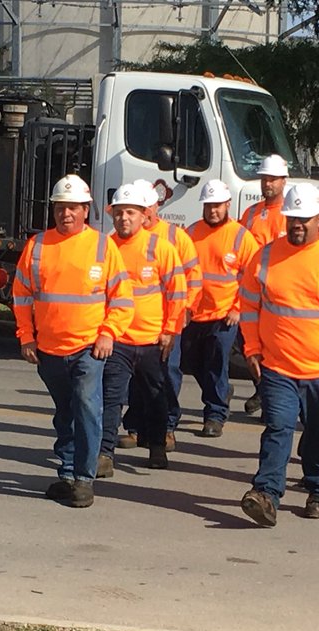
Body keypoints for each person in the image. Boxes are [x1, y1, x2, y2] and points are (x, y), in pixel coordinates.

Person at [238, 183, 319, 527]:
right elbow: (249, 306)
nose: (297, 224)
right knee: (278, 427)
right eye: (292, 218)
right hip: (278, 368)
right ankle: (266, 493)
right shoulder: (265, 256)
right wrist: (252, 348)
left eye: (304, 219)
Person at [10, 174, 134, 508]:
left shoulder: (102, 246)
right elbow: (21, 296)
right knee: (64, 412)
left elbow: (122, 298)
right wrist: (27, 338)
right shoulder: (37, 247)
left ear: (85, 210)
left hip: (89, 349)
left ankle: (83, 479)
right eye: (61, 208)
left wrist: (108, 334)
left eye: (73, 208)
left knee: (87, 406)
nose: (66, 214)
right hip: (49, 351)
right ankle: (66, 472)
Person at [97, 183, 187, 477]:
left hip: (152, 340)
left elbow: (177, 291)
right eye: (119, 213)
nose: (124, 218)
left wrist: (170, 331)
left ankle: (157, 446)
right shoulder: (108, 248)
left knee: (156, 395)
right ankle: (104, 453)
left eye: (130, 213)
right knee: (111, 398)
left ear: (143, 215)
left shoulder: (159, 247)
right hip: (118, 339)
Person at [119, 180, 202, 451]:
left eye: (150, 204)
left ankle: (166, 428)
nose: (148, 210)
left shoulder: (174, 237)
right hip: (129, 329)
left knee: (166, 376)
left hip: (167, 323)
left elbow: (191, 276)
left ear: (154, 206)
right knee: (135, 379)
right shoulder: (120, 239)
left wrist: (185, 311)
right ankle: (135, 426)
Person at [184, 179, 260, 437]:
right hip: (195, 313)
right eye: (208, 206)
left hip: (224, 314)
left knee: (217, 361)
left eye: (217, 205)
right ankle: (222, 391)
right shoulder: (191, 233)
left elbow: (252, 278)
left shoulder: (241, 236)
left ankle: (214, 414)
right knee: (192, 362)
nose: (213, 210)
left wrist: (238, 308)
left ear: (227, 204)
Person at [238, 153, 290, 416]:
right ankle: (263, 387)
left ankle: (269, 394)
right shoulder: (250, 214)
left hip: (279, 289)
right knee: (250, 341)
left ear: (283, 181)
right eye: (264, 179)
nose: (267, 183)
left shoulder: (289, 214)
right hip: (253, 287)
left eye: (273, 179)